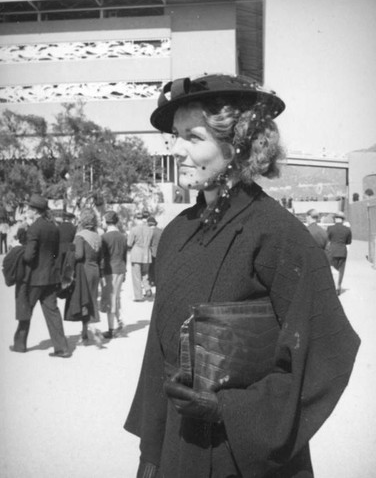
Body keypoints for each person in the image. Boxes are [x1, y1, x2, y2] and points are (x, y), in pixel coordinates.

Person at [124, 74, 360, 478]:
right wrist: (151, 452)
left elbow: (328, 352)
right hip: (177, 449)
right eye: (175, 136)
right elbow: (157, 354)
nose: (176, 150)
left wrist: (230, 410)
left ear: (239, 146)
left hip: (243, 456)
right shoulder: (177, 232)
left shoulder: (279, 233)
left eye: (193, 138)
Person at [10, 194, 70, 357]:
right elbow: (55, 254)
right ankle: (62, 348)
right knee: (52, 312)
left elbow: (29, 256)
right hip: (50, 277)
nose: (27, 210)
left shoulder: (34, 228)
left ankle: (20, 344)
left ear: (35, 211)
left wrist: (18, 249)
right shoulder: (54, 227)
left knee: (25, 310)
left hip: (34, 278)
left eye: (29, 208)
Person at [71, 208, 104, 345]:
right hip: (95, 270)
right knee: (92, 299)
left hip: (84, 271)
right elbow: (101, 258)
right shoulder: (97, 236)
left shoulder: (80, 236)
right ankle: (89, 328)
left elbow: (78, 255)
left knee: (84, 300)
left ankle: (86, 331)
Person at [101, 210, 128, 339]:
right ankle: (119, 320)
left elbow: (102, 258)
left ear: (107, 221)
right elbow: (124, 256)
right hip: (121, 268)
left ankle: (111, 329)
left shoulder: (104, 237)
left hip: (109, 270)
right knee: (116, 297)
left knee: (110, 299)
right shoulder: (123, 236)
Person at [127, 210, 153, 302]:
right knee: (145, 274)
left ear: (135, 219)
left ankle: (138, 296)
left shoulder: (134, 229)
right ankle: (147, 288)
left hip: (136, 254)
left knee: (136, 276)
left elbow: (129, 244)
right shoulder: (149, 229)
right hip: (147, 253)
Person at [327, 211, 352, 295]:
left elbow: (328, 239)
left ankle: (332, 287)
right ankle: (338, 286)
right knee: (341, 270)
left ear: (335, 219)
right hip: (342, 251)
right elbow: (348, 242)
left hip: (332, 251)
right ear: (342, 219)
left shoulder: (330, 228)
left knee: (332, 270)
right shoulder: (347, 230)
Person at [147, 216, 163, 287]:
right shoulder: (160, 231)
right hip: (159, 252)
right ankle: (157, 281)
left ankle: (151, 280)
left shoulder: (148, 231)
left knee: (150, 268)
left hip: (151, 252)